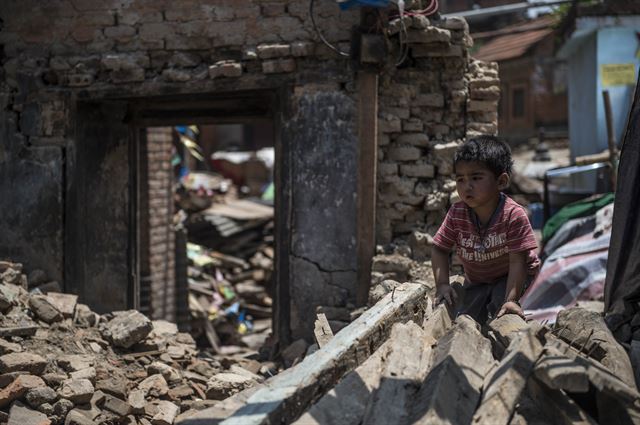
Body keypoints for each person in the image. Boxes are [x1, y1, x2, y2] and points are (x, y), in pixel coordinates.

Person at [431, 136, 540, 323]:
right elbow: (439, 248)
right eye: (460, 179)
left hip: (512, 276)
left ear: (501, 181)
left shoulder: (513, 215)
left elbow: (517, 262)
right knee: (468, 318)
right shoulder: (457, 213)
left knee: (501, 309)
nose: (467, 186)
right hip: (478, 279)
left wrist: (511, 300)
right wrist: (442, 285)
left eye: (476, 178)